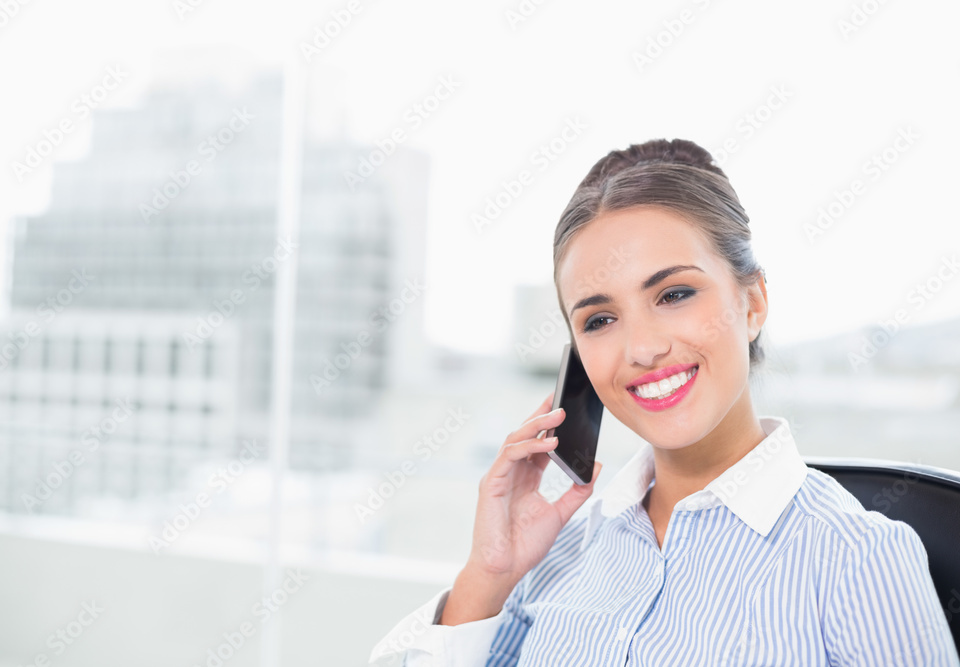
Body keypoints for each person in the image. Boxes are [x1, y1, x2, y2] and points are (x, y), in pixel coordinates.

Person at [368, 138, 959, 665]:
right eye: (600, 319)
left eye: (674, 293)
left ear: (751, 304)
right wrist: (488, 576)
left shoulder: (859, 560)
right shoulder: (556, 555)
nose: (644, 348)